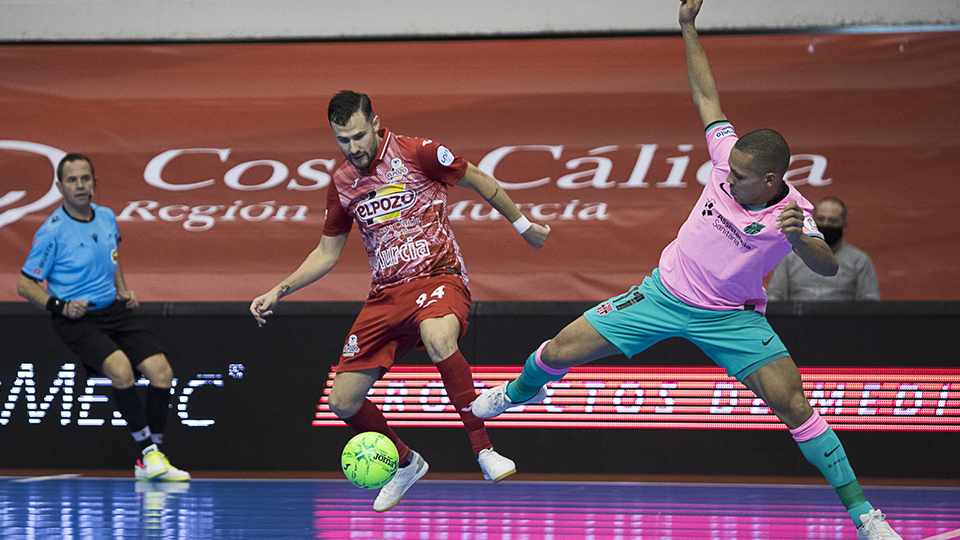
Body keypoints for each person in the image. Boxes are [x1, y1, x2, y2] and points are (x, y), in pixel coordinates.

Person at [471, 2, 903, 539]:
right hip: (662, 294)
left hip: (731, 318)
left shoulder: (793, 214)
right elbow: (706, 97)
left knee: (795, 405)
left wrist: (796, 236)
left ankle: (865, 516)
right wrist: (687, 26)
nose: (727, 180)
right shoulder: (726, 158)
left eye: (742, 178)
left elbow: (830, 267)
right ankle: (514, 394)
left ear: (771, 180)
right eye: (729, 170)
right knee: (557, 350)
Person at [249, 90, 550, 512]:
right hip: (385, 297)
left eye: (357, 135)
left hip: (438, 276)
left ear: (375, 123)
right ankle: (406, 463)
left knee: (439, 337)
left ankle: (483, 450)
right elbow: (327, 252)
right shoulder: (342, 184)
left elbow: (478, 178)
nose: (352, 147)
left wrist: (523, 225)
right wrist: (279, 289)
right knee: (342, 401)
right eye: (342, 140)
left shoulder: (419, 153)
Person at [17, 153, 189, 482]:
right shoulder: (51, 233)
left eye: (85, 179)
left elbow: (113, 255)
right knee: (121, 370)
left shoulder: (107, 217)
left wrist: (123, 289)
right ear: (60, 186)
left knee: (161, 372)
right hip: (76, 319)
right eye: (72, 180)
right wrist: (60, 306)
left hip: (115, 311)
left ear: (95, 182)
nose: (80, 185)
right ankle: (151, 456)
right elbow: (25, 284)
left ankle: (151, 456)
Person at [767, 196, 880, 301]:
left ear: (844, 225)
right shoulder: (790, 257)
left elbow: (870, 301)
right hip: (798, 321)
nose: (825, 224)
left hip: (842, 321)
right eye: (821, 219)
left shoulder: (859, 260)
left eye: (832, 221)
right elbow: (774, 296)